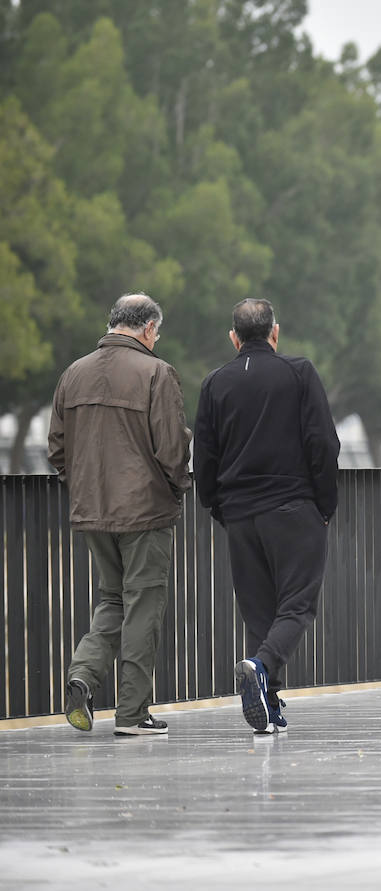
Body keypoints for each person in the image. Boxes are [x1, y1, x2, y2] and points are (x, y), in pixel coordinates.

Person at [193, 299, 340, 735]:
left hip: (239, 514)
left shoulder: (215, 384)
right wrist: (324, 505)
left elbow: (204, 456)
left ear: (234, 337)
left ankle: (269, 703)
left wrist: (216, 505)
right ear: (275, 332)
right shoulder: (299, 373)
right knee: (296, 605)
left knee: (259, 613)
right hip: (294, 507)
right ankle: (259, 668)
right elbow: (323, 444)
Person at [48, 293, 191, 737]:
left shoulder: (73, 372)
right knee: (143, 606)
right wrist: (178, 487)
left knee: (112, 600)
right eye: (157, 332)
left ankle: (83, 677)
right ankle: (132, 714)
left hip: (91, 511)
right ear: (148, 328)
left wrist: (85, 487)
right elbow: (172, 449)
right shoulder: (156, 372)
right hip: (144, 512)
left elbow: (57, 448)